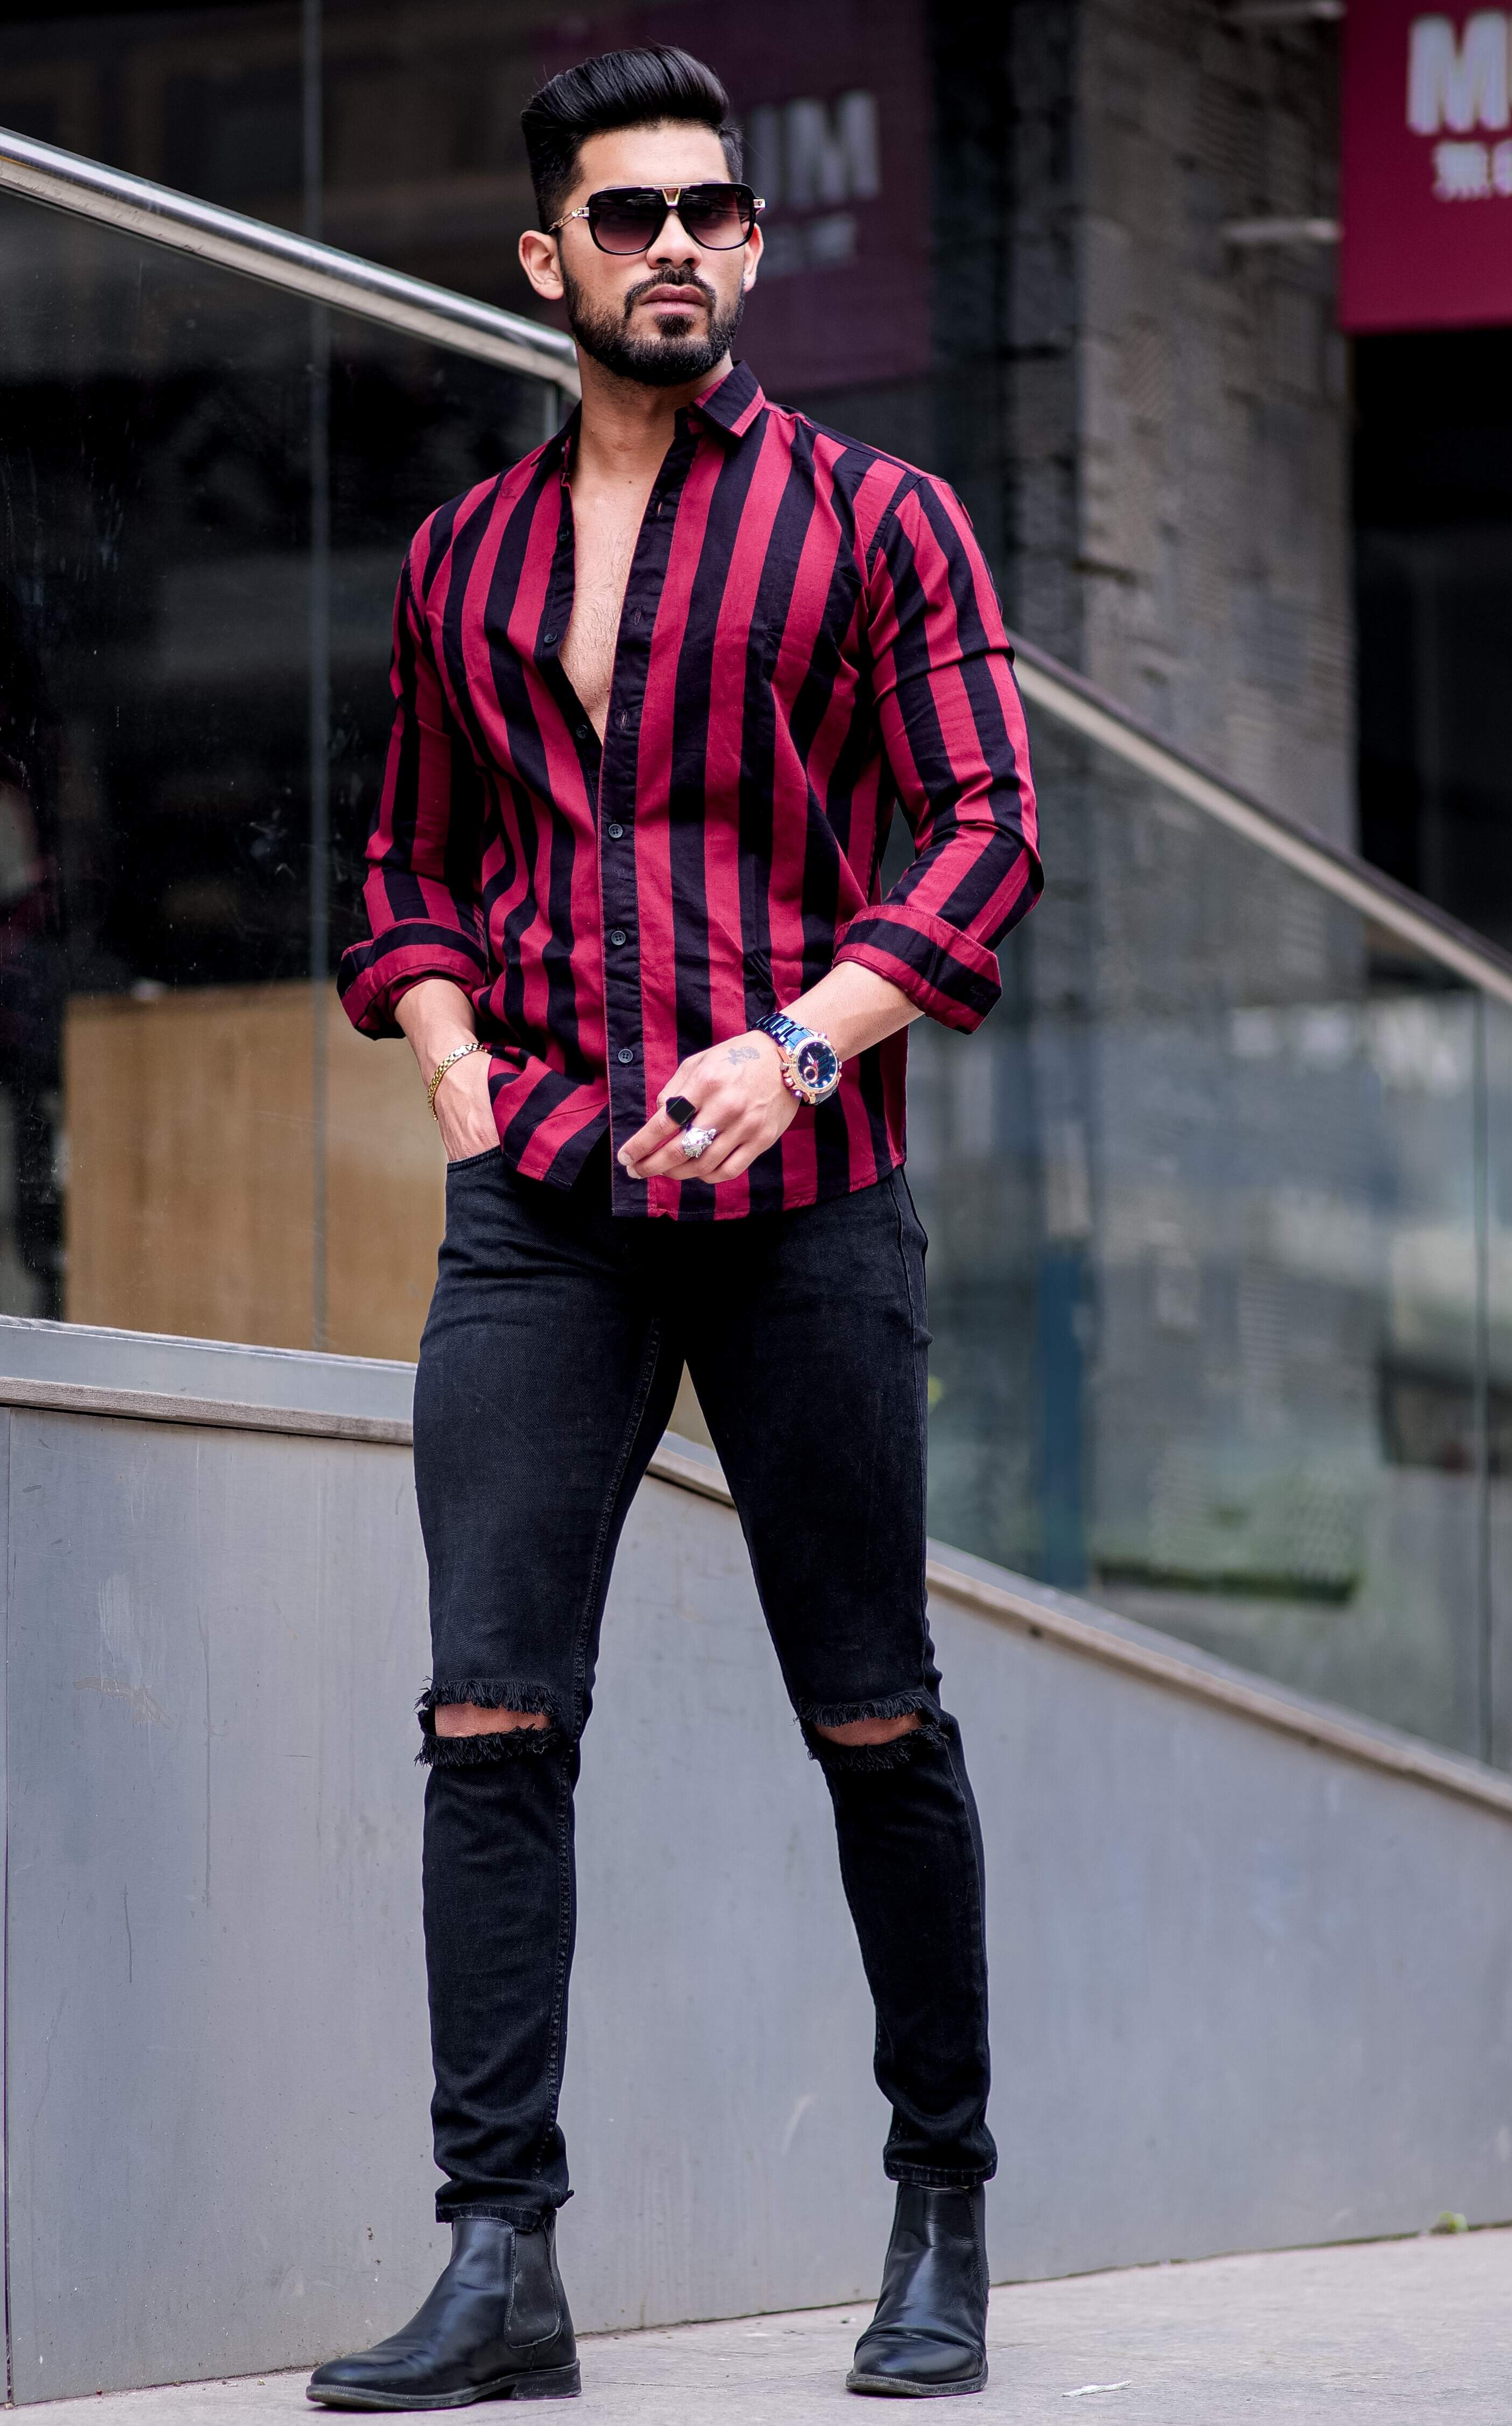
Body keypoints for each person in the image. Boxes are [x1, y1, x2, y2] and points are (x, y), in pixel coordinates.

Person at [309, 43, 1041, 2409]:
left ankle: (940, 2213)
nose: (676, 248)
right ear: (548, 258)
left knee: (871, 1716)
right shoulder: (464, 558)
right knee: (488, 1716)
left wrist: (803, 1043)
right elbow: (408, 867)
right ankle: (501, 2261)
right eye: (626, 216)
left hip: (809, 1198)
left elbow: (982, 827)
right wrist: (455, 1076)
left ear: (748, 243)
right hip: (542, 1212)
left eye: (711, 211)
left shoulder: (879, 520)